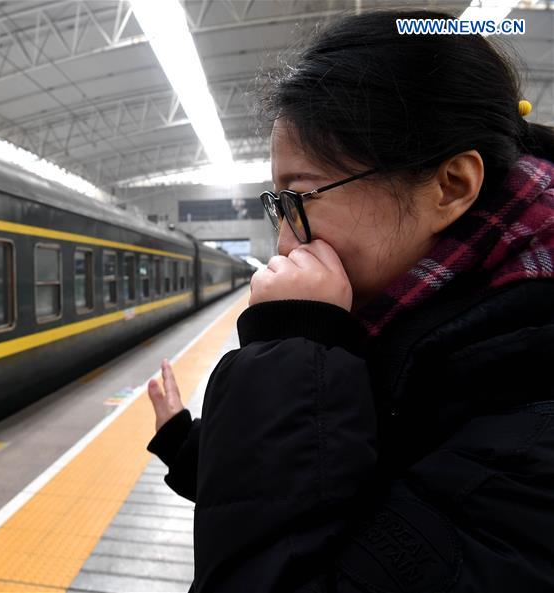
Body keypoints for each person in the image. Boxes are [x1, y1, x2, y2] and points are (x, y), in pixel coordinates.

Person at [145, 9, 554, 592]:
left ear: (451, 187)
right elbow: (364, 490)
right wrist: (193, 451)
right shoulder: (445, 327)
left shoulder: (529, 406)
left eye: (301, 198)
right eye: (277, 205)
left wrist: (291, 342)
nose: (285, 243)